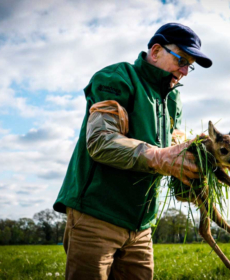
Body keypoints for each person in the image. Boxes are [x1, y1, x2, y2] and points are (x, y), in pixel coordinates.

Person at [53, 22, 212, 279]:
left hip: (142, 226)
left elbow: (173, 151)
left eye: (189, 65)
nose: (184, 71)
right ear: (156, 50)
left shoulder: (173, 99)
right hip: (97, 215)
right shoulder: (117, 78)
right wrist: (159, 156)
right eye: (181, 59)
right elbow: (101, 142)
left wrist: (194, 168)